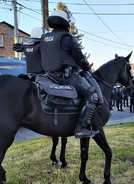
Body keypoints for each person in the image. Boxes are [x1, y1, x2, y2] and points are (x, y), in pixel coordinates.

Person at [40, 10, 103, 138]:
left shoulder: (44, 38)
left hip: (48, 76)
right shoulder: (67, 38)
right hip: (65, 76)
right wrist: (87, 67)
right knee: (92, 95)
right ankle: (81, 128)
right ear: (66, 23)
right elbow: (80, 58)